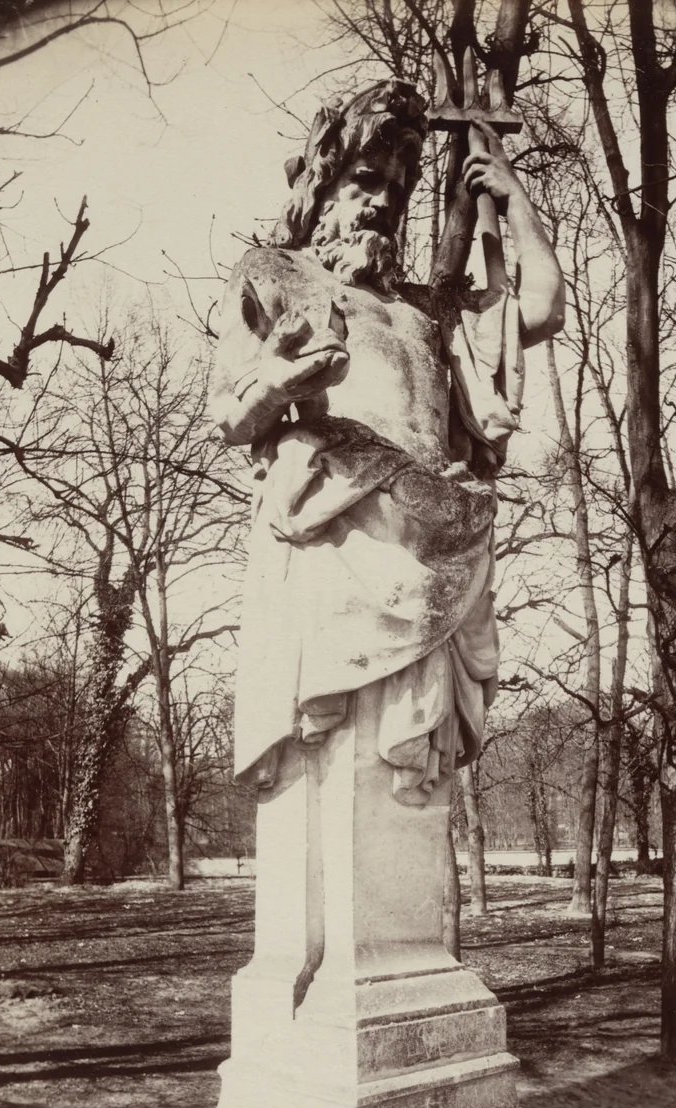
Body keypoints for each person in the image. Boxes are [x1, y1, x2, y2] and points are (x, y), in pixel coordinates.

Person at [211, 78, 564, 800]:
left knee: (406, 771)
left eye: (398, 191)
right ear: (325, 188)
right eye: (367, 181)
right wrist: (285, 380)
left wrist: (512, 196)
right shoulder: (274, 276)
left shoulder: (425, 311)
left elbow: (543, 307)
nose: (383, 203)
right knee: (337, 763)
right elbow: (228, 416)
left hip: (434, 532)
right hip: (334, 533)